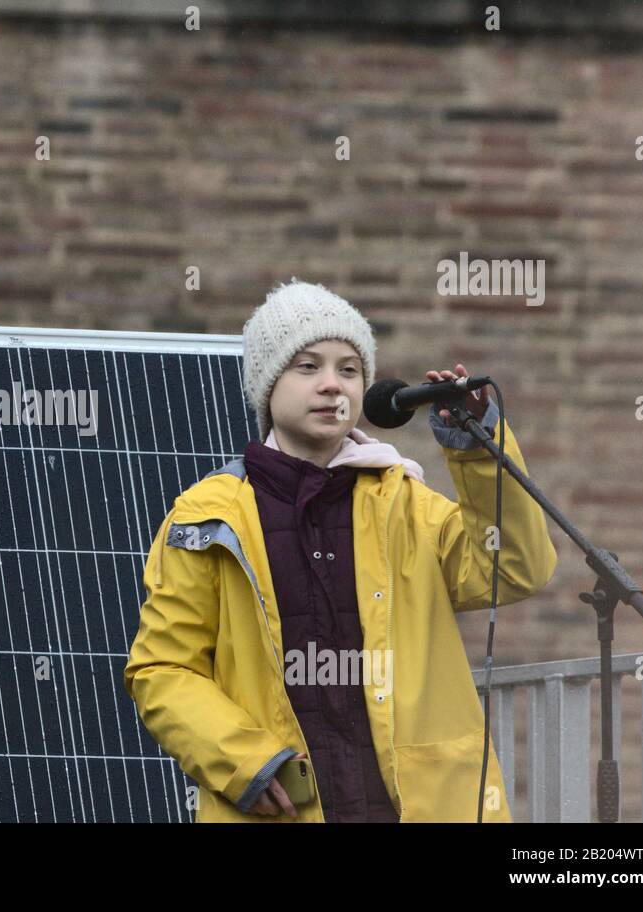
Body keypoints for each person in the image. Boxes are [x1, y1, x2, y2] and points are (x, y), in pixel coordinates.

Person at [124, 280, 557, 822]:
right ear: (267, 382)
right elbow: (163, 669)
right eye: (308, 366)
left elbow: (515, 568)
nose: (333, 385)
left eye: (349, 370)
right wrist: (244, 763)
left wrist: (479, 451)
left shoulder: (405, 502)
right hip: (284, 805)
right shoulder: (207, 518)